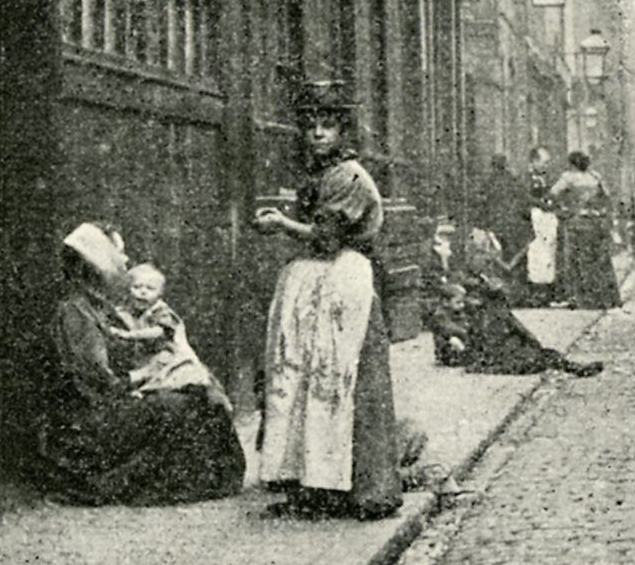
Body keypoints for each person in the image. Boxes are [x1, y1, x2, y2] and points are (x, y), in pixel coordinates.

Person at [252, 80, 402, 521]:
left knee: (343, 381)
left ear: (343, 132)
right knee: (305, 383)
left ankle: (361, 490)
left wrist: (282, 223)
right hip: (317, 285)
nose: (317, 134)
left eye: (328, 126)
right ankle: (312, 485)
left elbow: (327, 236)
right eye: (311, 126)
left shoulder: (350, 176)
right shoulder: (322, 173)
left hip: (344, 284)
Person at [37, 222, 245, 506]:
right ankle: (103, 484)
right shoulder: (76, 311)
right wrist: (145, 374)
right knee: (176, 406)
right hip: (86, 421)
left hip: (110, 402)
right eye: (117, 252)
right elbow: (93, 381)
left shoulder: (104, 305)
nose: (124, 261)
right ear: (96, 260)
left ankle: (207, 480)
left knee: (201, 395)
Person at [427, 227, 603, 377]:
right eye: (480, 253)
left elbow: (506, 318)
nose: (487, 259)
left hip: (491, 341)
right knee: (531, 360)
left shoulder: (481, 282)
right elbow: (457, 327)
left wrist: (528, 338)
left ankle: (572, 367)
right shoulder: (460, 286)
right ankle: (570, 367)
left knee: (541, 354)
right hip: (476, 348)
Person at [109, 263, 232, 411]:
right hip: (143, 355)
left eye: (150, 289)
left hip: (166, 353)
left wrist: (130, 335)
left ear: (160, 293)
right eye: (136, 287)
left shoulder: (161, 311)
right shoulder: (125, 310)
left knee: (165, 370)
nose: (142, 292)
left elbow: (158, 332)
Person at [551, 151, 623, 309]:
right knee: (600, 260)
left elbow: (553, 194)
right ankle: (606, 298)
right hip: (596, 222)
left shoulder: (568, 178)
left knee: (578, 261)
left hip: (577, 222)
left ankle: (584, 298)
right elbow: (607, 196)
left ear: (572, 164)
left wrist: (564, 207)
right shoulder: (595, 177)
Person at [525, 147, 561, 306]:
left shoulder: (548, 177)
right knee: (537, 253)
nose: (546, 165)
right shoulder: (526, 177)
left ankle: (549, 290)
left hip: (548, 217)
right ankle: (537, 291)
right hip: (536, 216)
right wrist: (540, 204)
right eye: (544, 162)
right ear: (534, 161)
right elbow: (526, 196)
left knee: (550, 252)